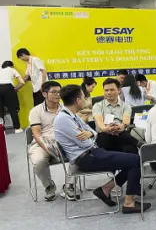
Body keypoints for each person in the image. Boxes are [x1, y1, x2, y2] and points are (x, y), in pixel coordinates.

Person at [54, 84, 150, 213]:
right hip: (86, 158)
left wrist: (90, 133)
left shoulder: (72, 115)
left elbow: (93, 131)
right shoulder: (63, 119)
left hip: (93, 152)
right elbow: (85, 143)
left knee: (134, 159)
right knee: (135, 160)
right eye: (83, 98)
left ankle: (105, 189)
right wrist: (91, 136)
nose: (85, 100)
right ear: (78, 100)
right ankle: (129, 203)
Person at [27, 80, 62, 200]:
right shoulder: (36, 111)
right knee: (39, 161)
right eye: (54, 92)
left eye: (59, 92)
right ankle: (49, 186)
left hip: (62, 142)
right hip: (42, 143)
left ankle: (70, 186)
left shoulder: (65, 109)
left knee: (79, 155)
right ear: (44, 94)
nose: (58, 94)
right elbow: (37, 134)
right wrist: (49, 149)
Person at [92, 77, 139, 155]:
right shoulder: (97, 106)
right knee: (105, 139)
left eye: (112, 90)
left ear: (119, 90)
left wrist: (122, 126)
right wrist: (106, 129)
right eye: (106, 90)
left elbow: (126, 120)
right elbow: (99, 122)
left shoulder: (126, 106)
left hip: (121, 133)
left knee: (131, 147)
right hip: (104, 134)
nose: (109, 92)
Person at [0, 60, 25, 129]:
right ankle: (17, 128)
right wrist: (16, 89)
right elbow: (22, 82)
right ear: (11, 66)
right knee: (12, 108)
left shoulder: (0, 71)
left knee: (0, 110)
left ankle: (1, 129)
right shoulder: (12, 70)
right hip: (8, 87)